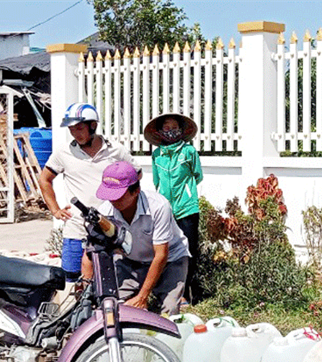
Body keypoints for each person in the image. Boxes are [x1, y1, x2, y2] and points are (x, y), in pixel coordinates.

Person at [39, 102, 140, 282]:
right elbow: (44, 179)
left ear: (93, 125)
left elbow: (136, 174)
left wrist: (125, 204)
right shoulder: (63, 152)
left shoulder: (116, 150)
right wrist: (55, 210)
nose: (75, 133)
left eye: (79, 128)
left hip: (110, 227)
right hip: (77, 228)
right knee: (72, 279)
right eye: (71, 129)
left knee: (111, 279)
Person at [83, 161, 190, 315]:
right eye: (109, 195)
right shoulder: (104, 212)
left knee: (169, 310)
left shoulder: (159, 207)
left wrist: (142, 297)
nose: (113, 201)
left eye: (118, 196)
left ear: (136, 191)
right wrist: (86, 293)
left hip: (170, 260)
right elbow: (90, 254)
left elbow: (161, 255)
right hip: (130, 261)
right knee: (111, 304)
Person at [144, 113, 203, 305]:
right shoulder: (157, 155)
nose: (171, 131)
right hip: (165, 209)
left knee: (189, 250)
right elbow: (156, 180)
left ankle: (186, 292)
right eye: (167, 128)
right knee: (165, 249)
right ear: (160, 132)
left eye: (174, 127)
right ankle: (166, 291)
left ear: (181, 130)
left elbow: (197, 175)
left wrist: (186, 193)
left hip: (187, 208)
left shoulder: (189, 151)